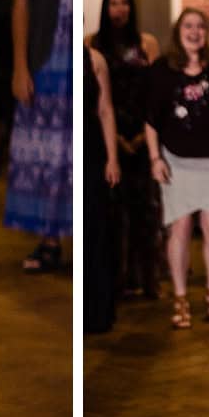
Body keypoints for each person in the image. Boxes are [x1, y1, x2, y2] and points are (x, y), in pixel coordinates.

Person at [145, 9, 209, 329]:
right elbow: (151, 120)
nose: (195, 31)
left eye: (201, 26)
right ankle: (181, 298)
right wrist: (154, 159)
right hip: (175, 158)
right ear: (178, 31)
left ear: (208, 33)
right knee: (180, 226)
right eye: (189, 26)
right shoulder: (162, 70)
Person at [6, 0, 73, 272]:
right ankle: (48, 240)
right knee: (48, 151)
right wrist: (19, 66)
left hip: (84, 57)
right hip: (47, 54)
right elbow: (22, 1)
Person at [93, 0, 163, 297]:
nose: (119, 9)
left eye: (124, 3)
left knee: (145, 211)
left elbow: (156, 92)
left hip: (141, 131)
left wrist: (142, 137)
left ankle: (147, 278)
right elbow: (95, 98)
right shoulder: (92, 44)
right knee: (112, 213)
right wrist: (116, 138)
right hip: (109, 134)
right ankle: (116, 279)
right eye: (113, 4)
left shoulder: (147, 43)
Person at [83, 43, 122, 335]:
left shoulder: (95, 58)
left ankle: (96, 311)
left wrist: (112, 158)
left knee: (95, 226)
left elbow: (105, 109)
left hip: (91, 145)